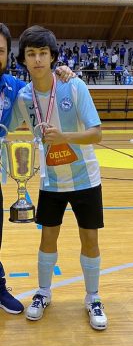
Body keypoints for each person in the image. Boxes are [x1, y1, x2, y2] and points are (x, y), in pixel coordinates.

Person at [12, 25, 107, 330]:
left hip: (85, 179)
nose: (37, 59)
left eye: (43, 53)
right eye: (31, 54)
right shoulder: (22, 97)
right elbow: (7, 124)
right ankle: (43, 292)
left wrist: (63, 136)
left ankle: (92, 297)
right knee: (47, 237)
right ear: (23, 60)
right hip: (50, 182)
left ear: (53, 57)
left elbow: (97, 133)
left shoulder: (74, 86)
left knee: (89, 237)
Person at [0, 23, 72, 317]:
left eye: (0, 50)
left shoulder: (12, 88)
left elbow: (40, 85)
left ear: (6, 55)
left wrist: (61, 73)